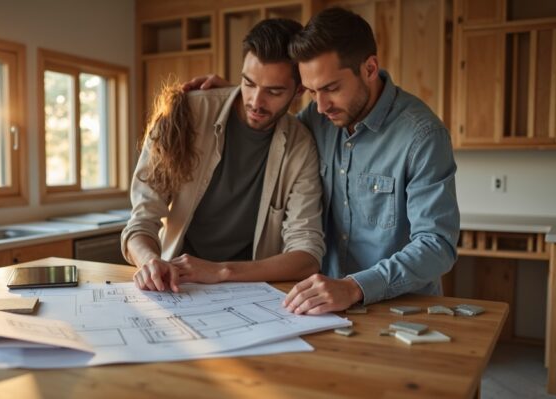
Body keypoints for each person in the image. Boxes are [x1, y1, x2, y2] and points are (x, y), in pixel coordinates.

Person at [185, 7, 460, 314]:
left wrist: (355, 287)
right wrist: (234, 97)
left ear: (369, 68)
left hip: (403, 307)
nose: (320, 106)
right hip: (321, 307)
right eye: (312, 92)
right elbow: (270, 122)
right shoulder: (316, 121)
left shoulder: (422, 135)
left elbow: (437, 246)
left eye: (331, 88)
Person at [122, 18, 325, 293]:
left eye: (274, 92)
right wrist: (149, 261)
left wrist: (221, 271)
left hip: (251, 289)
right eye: (248, 83)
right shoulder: (186, 114)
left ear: (299, 90)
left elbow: (307, 255)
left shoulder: (300, 145)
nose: (255, 101)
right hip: (177, 283)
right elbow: (141, 221)